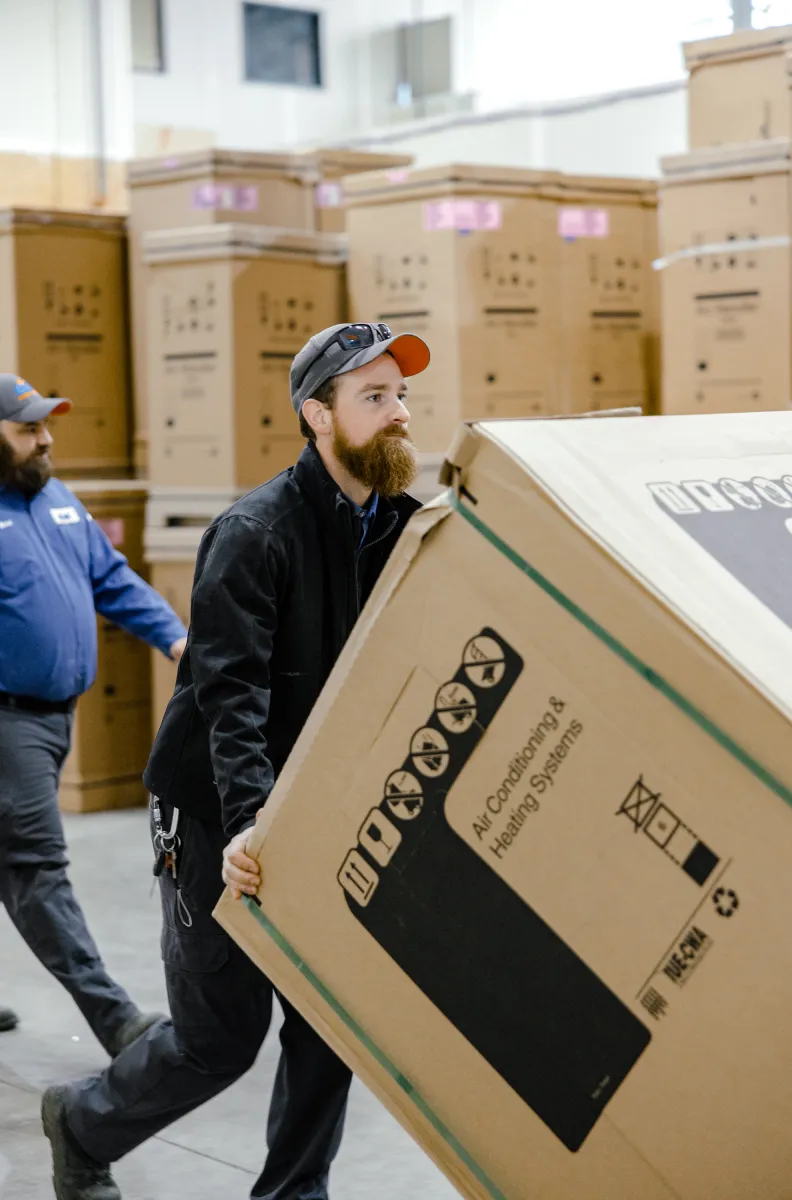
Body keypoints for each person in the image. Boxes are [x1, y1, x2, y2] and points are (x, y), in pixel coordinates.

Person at [42, 322, 430, 1200]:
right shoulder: (255, 533)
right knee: (220, 1040)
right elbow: (231, 694)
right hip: (218, 806)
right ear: (317, 415)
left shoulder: (403, 527)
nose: (399, 414)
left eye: (400, 394)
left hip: (318, 803)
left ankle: (293, 1194)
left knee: (331, 1024)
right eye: (374, 397)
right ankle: (83, 1122)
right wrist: (252, 824)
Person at [0, 374, 187, 1052]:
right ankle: (115, 1019)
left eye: (46, 425)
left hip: (54, 717)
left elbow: (109, 578)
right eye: (27, 428)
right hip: (8, 723)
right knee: (34, 865)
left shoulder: (54, 499)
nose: (45, 438)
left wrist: (175, 637)